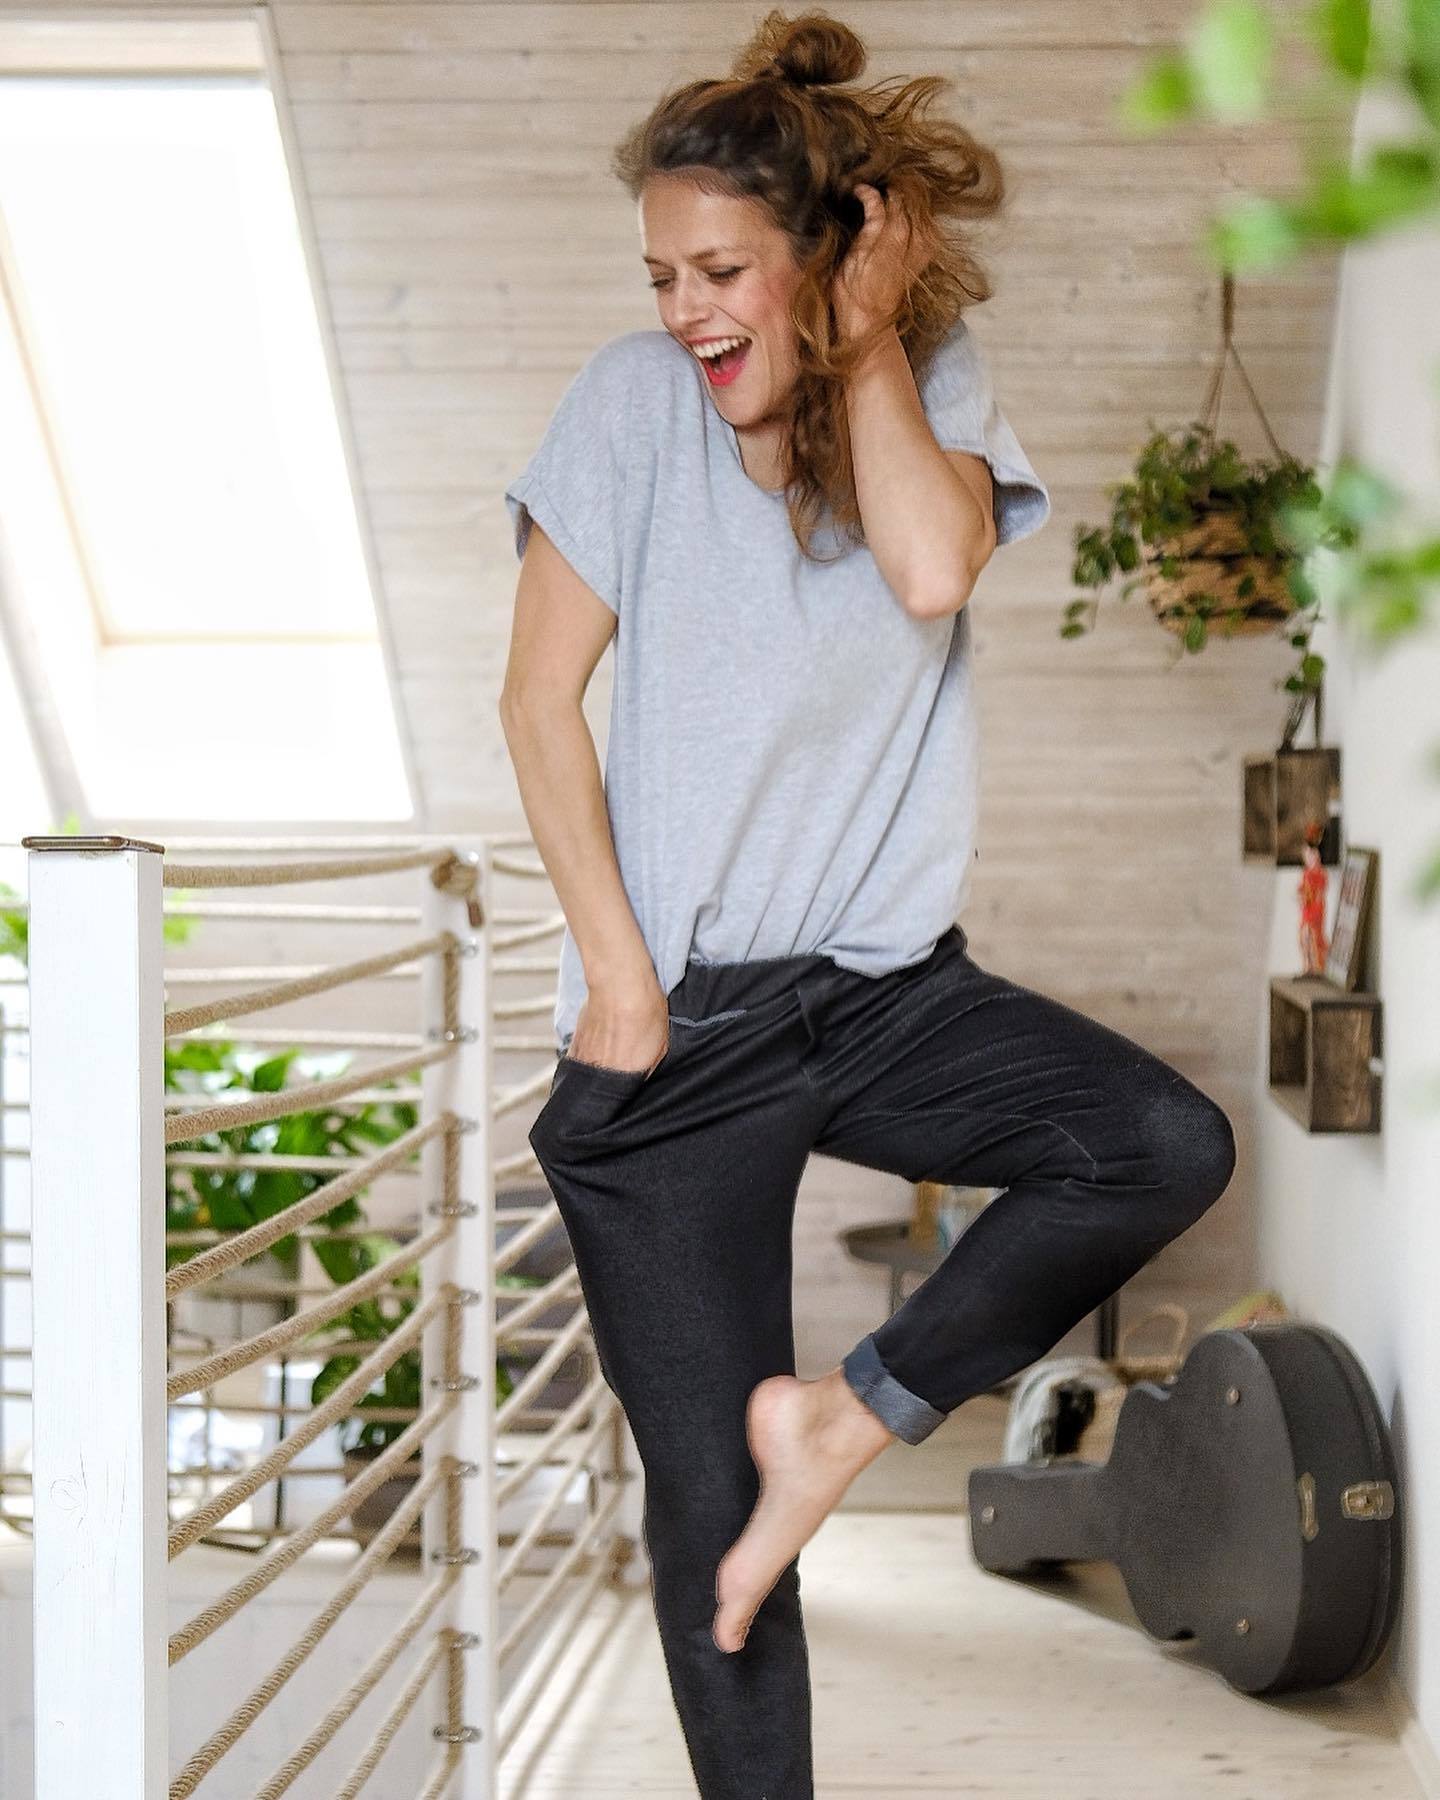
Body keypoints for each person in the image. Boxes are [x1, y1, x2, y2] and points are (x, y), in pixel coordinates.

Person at [498, 11, 1237, 1797]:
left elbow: (926, 564)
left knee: (1159, 1144)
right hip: (680, 1029)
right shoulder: (629, 408)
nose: (688, 313)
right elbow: (534, 704)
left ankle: (850, 1416)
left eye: (723, 272)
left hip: (887, 994)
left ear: (827, 255)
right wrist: (620, 983)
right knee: (716, 1531)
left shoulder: (932, 379)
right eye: (664, 276)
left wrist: (879, 336)